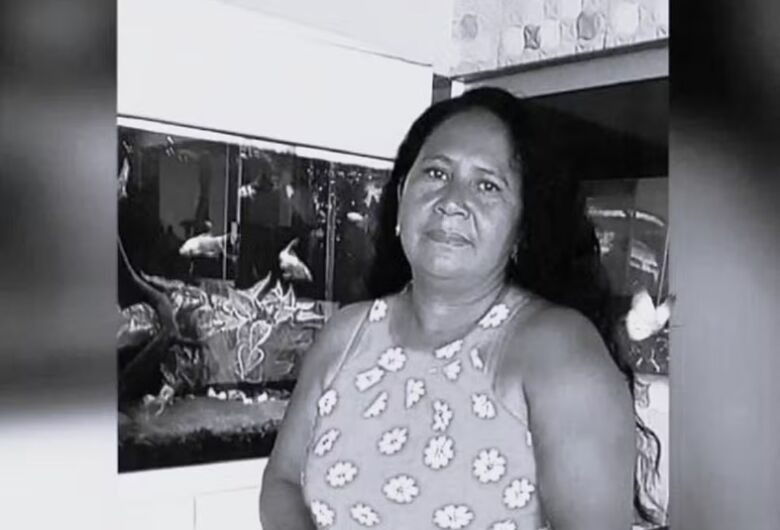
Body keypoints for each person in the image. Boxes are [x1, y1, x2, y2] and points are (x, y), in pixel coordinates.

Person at [260, 88, 643, 529]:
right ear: (402, 195)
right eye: (437, 173)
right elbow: (281, 482)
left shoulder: (556, 349)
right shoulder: (347, 335)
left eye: (487, 185)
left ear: (522, 226)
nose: (452, 202)